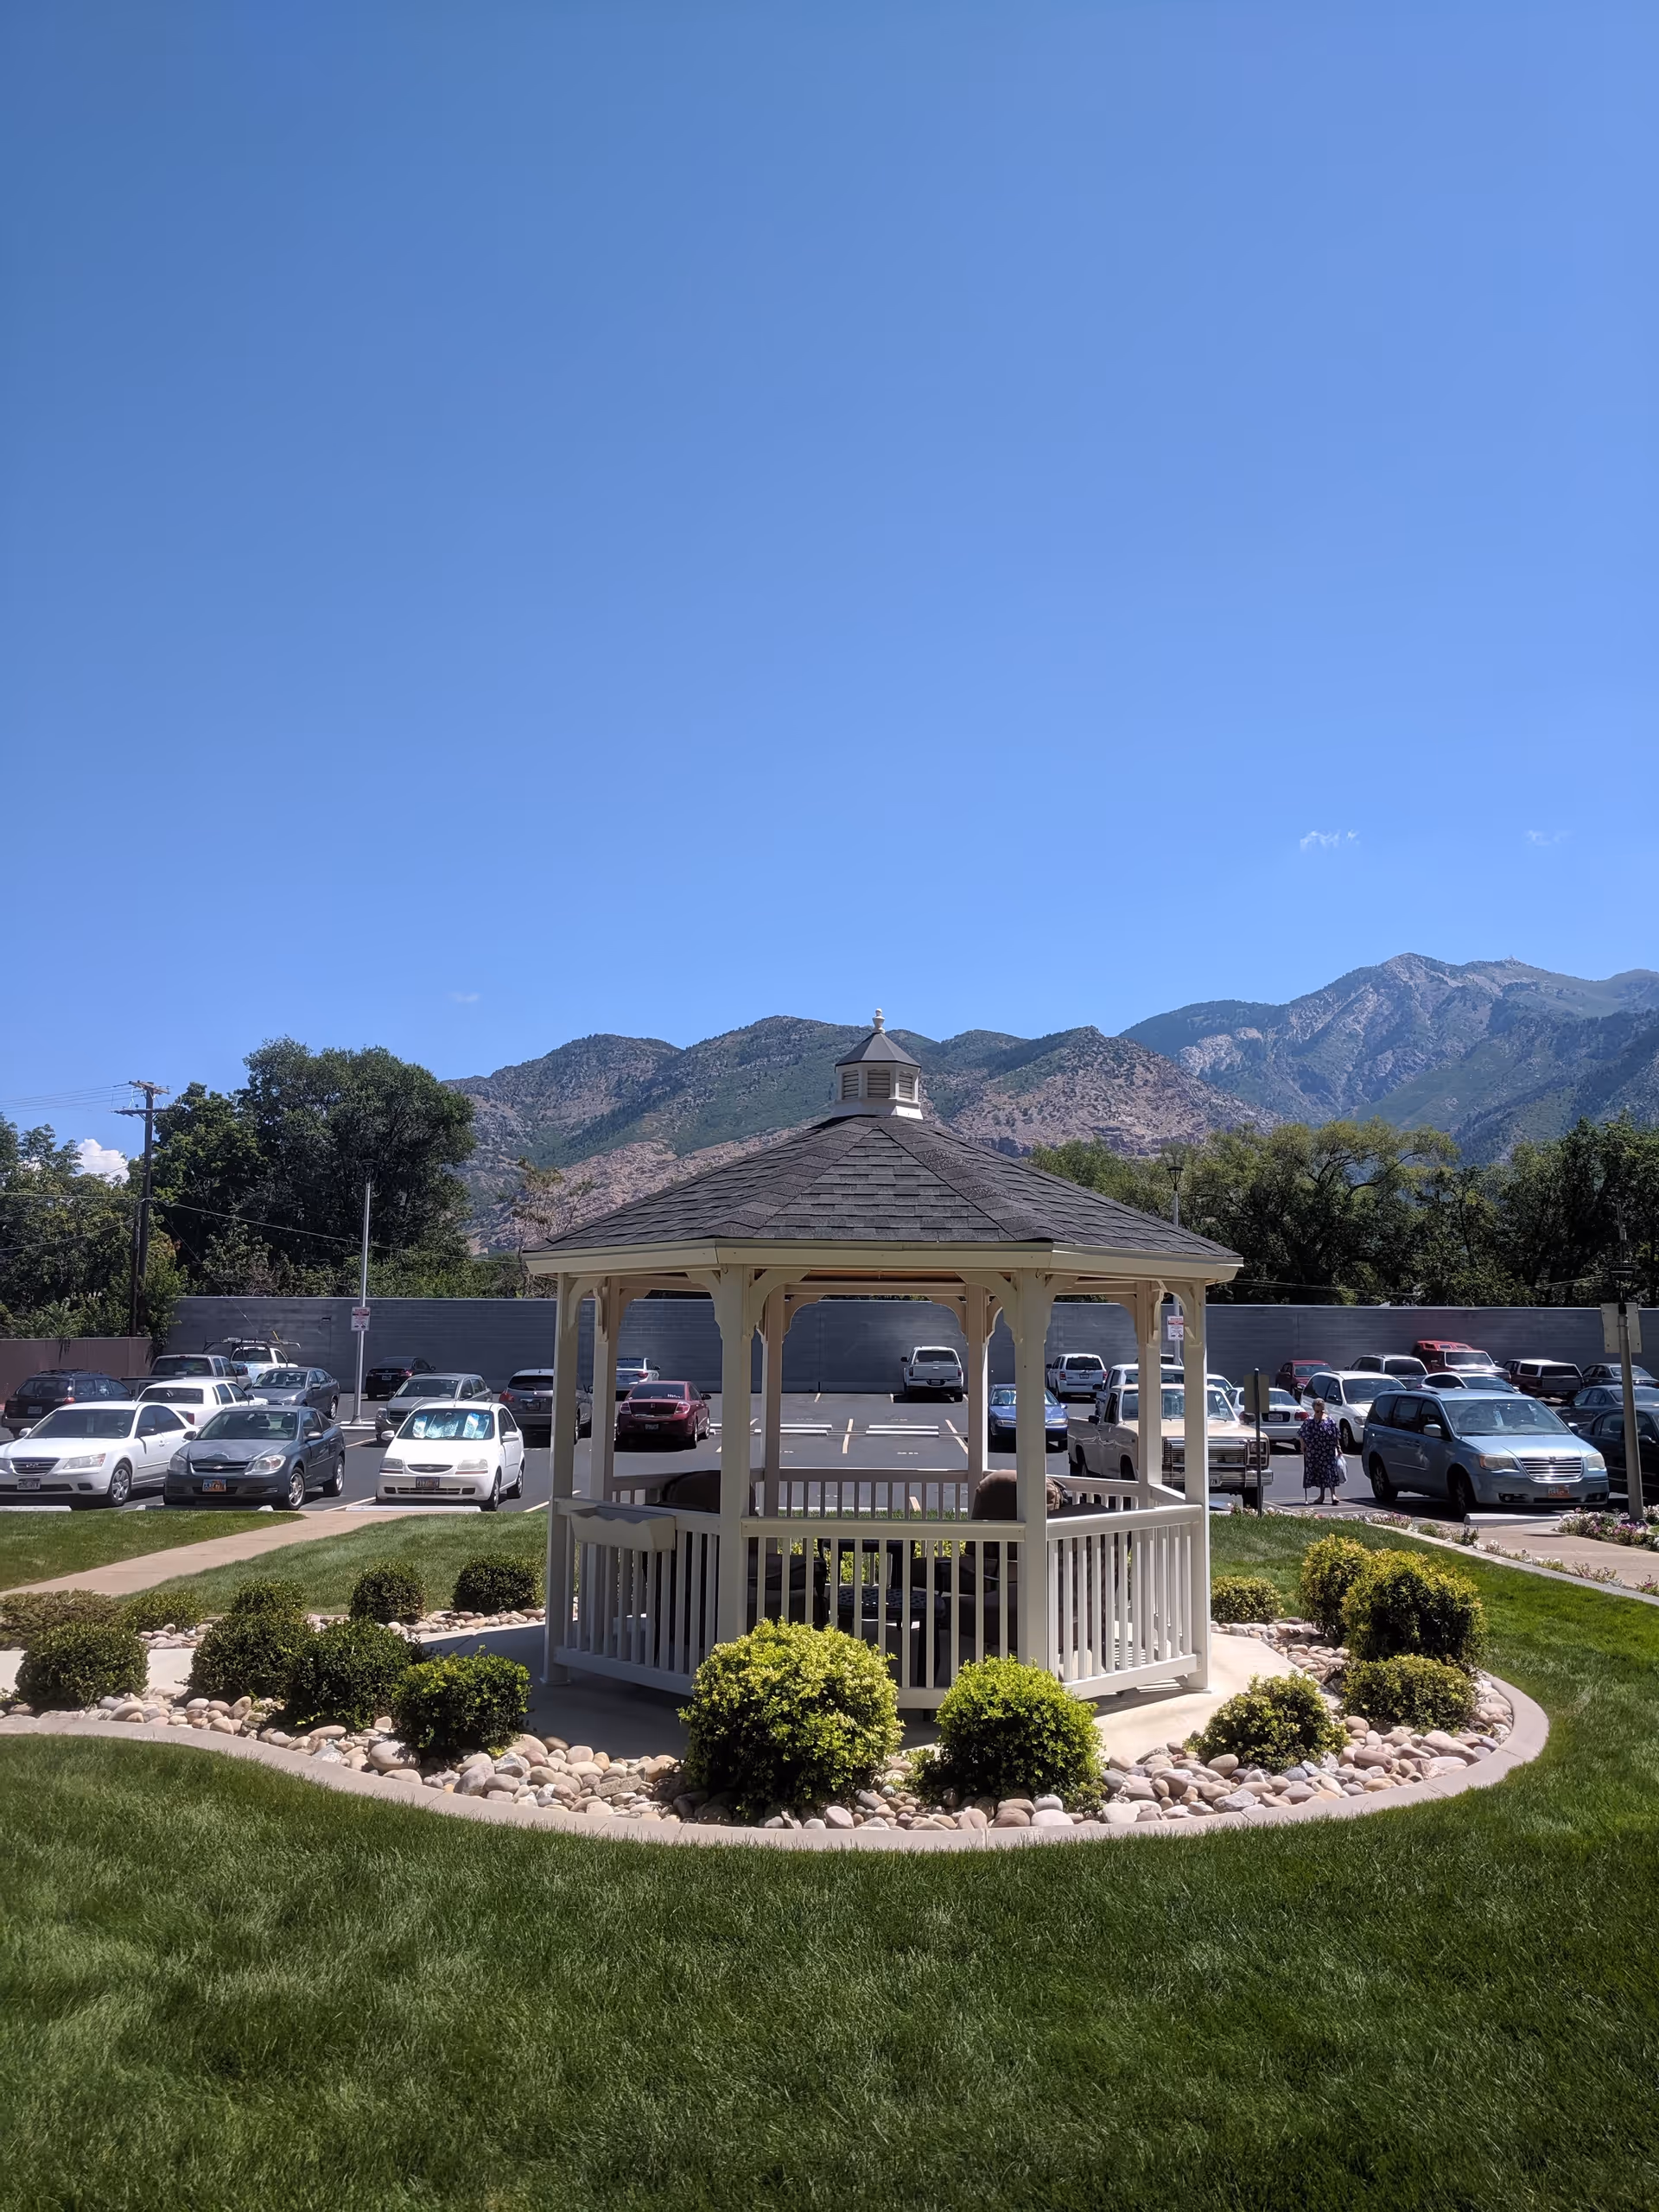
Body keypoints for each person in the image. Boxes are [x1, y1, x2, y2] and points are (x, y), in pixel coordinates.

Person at [1300, 1396, 1345, 1506]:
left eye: (1322, 1410)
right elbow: (1301, 1434)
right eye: (1317, 1411)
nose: (1320, 1413)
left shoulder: (1330, 1420)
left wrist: (1338, 1447)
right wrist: (1303, 1447)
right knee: (1320, 1473)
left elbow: (1336, 1435)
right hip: (1315, 1451)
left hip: (1328, 1450)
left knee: (1330, 1471)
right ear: (1314, 1410)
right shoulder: (1310, 1421)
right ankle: (1321, 1496)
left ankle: (1333, 1495)